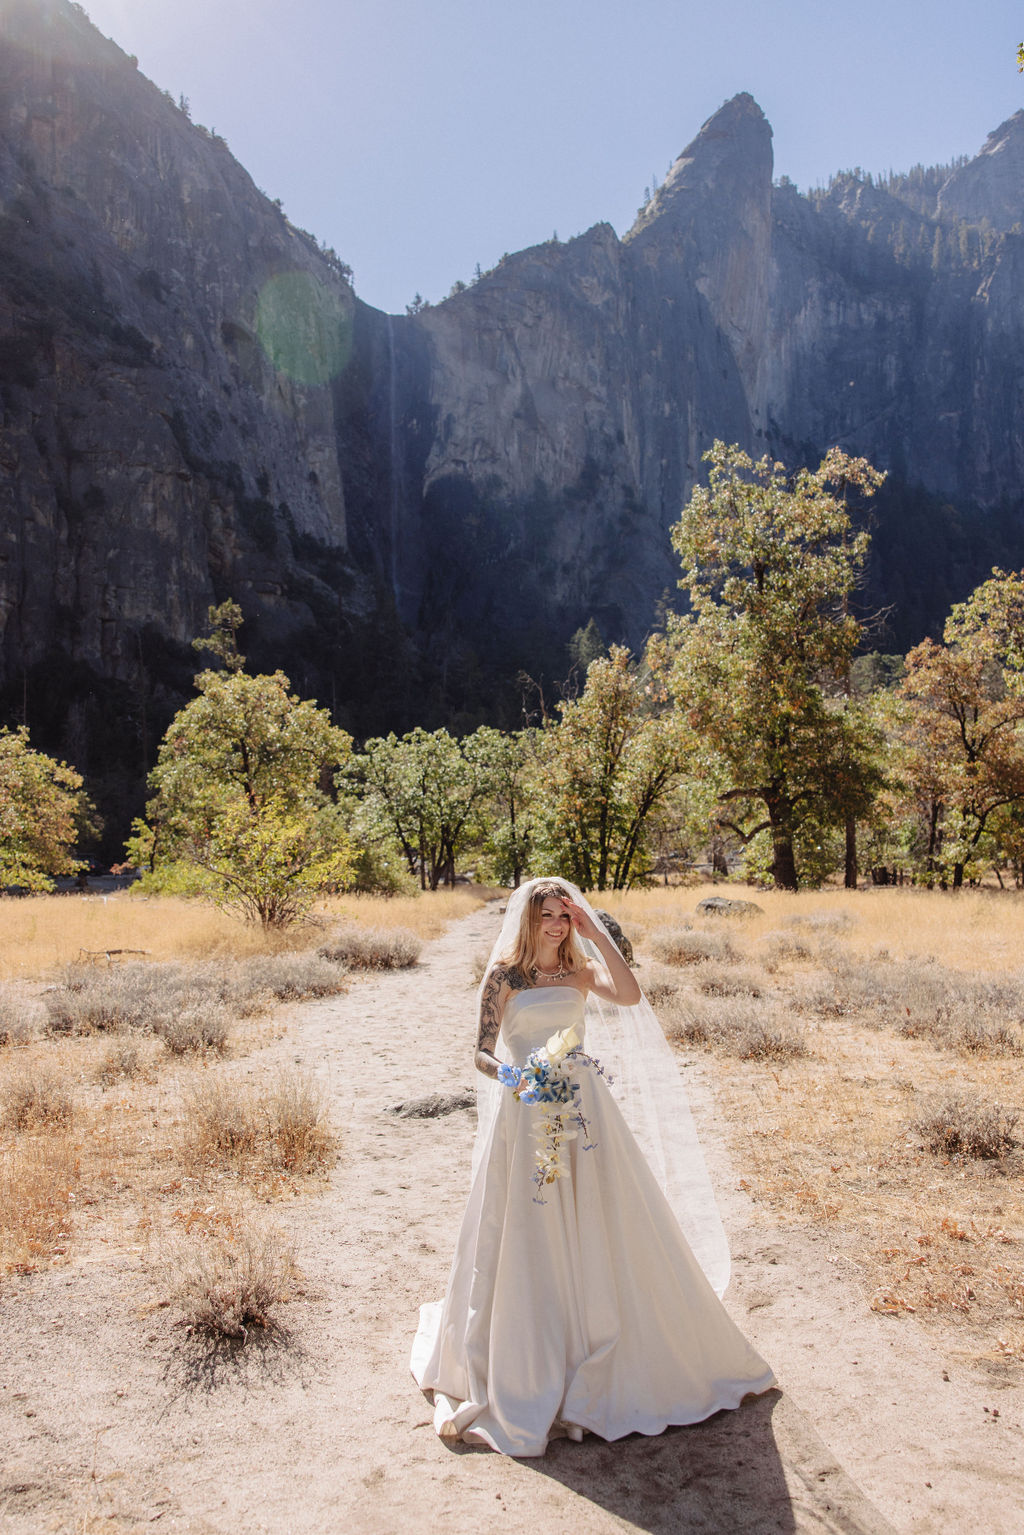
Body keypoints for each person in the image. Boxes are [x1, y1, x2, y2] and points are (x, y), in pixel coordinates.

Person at [410, 876, 775, 1457]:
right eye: (547, 916)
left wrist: (595, 932)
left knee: (603, 1218)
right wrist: (518, 1078)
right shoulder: (505, 975)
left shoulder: (580, 971)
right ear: (527, 921)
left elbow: (629, 995)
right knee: (531, 1226)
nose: (555, 925)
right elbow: (480, 1052)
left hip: (586, 1111)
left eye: (563, 915)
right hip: (528, 1111)